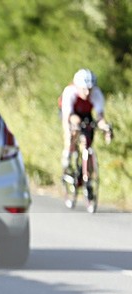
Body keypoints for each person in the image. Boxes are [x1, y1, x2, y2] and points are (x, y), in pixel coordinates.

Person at [60, 68, 113, 201]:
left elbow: (100, 117)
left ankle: (87, 175)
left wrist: (105, 128)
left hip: (86, 114)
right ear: (77, 86)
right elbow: (67, 117)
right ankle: (67, 159)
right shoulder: (69, 92)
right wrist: (69, 135)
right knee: (72, 133)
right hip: (71, 114)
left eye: (90, 88)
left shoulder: (96, 93)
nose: (88, 92)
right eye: (84, 89)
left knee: (87, 144)